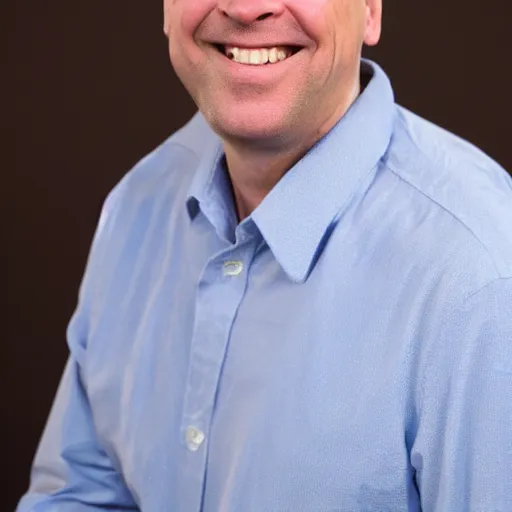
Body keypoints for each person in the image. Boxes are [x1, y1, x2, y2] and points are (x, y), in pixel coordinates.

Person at [17, 0, 512, 510]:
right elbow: (79, 494)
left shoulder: (479, 281)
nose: (247, 8)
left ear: (369, 10)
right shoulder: (137, 207)